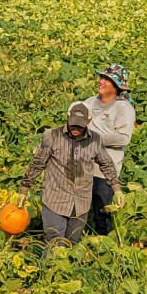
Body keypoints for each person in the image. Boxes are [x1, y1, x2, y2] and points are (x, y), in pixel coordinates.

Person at [23, 105, 118, 245]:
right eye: (73, 124)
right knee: (55, 244)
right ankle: (51, 259)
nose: (75, 128)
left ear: (89, 121)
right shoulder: (52, 136)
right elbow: (37, 164)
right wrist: (24, 189)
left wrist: (117, 189)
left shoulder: (95, 140)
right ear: (68, 118)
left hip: (81, 203)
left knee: (72, 244)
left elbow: (107, 164)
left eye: (80, 126)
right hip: (55, 200)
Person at [71, 64, 135, 234]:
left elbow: (123, 137)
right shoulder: (90, 102)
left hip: (105, 170)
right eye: (101, 78)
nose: (101, 81)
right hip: (82, 166)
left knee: (102, 213)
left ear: (116, 86)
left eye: (107, 79)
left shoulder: (123, 108)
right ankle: (74, 240)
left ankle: (105, 244)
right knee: (76, 209)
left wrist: (93, 137)